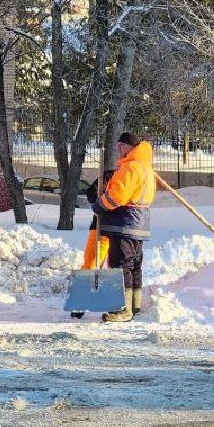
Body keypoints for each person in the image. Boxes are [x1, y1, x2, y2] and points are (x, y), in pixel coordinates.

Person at [95, 131, 156, 322]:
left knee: (121, 265)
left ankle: (123, 309)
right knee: (134, 265)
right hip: (140, 222)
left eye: (120, 146)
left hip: (124, 222)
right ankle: (135, 305)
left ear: (127, 147)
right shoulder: (145, 167)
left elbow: (116, 197)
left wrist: (99, 205)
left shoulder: (130, 168)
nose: (118, 149)